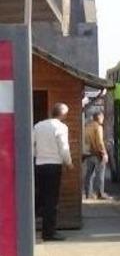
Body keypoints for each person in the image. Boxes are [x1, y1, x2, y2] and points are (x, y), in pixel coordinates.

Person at [33, 103, 73, 241]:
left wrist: (37, 157)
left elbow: (32, 144)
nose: (67, 116)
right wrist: (69, 163)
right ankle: (49, 233)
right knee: (51, 200)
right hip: (53, 166)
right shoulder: (61, 127)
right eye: (66, 113)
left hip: (39, 165)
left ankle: (28, 228)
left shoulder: (38, 126)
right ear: (62, 114)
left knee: (38, 197)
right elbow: (64, 147)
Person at [83, 111, 109, 200]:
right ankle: (100, 194)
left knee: (89, 175)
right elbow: (100, 142)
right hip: (98, 154)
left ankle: (88, 193)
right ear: (99, 117)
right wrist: (104, 153)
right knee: (100, 174)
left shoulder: (87, 126)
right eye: (102, 118)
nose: (103, 119)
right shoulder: (98, 127)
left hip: (88, 154)